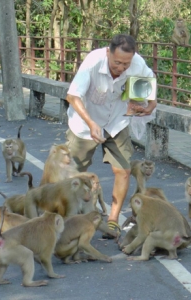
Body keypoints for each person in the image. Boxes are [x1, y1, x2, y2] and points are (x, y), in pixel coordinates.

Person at [64, 34, 157, 238]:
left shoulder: (137, 64)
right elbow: (72, 95)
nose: (122, 68)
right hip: (84, 121)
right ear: (108, 52)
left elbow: (147, 93)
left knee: (123, 170)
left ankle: (113, 221)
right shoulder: (93, 61)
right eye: (117, 63)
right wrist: (91, 123)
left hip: (116, 121)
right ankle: (70, 218)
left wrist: (149, 105)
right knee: (74, 174)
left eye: (126, 64)